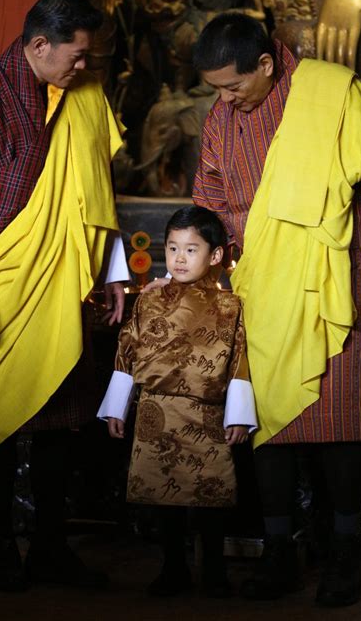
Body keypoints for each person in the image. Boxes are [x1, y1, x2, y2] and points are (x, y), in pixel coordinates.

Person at [185, 12, 361, 607]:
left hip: (335, 285)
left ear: (265, 64)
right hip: (257, 286)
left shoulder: (332, 91)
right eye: (216, 91)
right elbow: (208, 196)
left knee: (342, 424)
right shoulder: (221, 117)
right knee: (268, 425)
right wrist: (197, 272)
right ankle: (280, 552)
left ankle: (343, 553)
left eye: (233, 86)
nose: (226, 100)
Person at [0, 0, 129, 592]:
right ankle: (0, 549)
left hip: (64, 284)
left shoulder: (87, 94)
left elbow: (98, 189)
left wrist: (114, 269)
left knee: (59, 421)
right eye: (75, 55)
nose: (83, 67)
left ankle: (49, 547)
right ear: (39, 45)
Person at [97, 205, 257, 597]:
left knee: (209, 494)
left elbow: (240, 360)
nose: (179, 259)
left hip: (207, 414)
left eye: (191, 249)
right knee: (162, 493)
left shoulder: (230, 307)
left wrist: (238, 415)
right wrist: (117, 406)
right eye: (172, 248)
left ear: (215, 255)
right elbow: (127, 350)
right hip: (156, 409)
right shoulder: (149, 301)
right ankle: (173, 568)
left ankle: (214, 571)